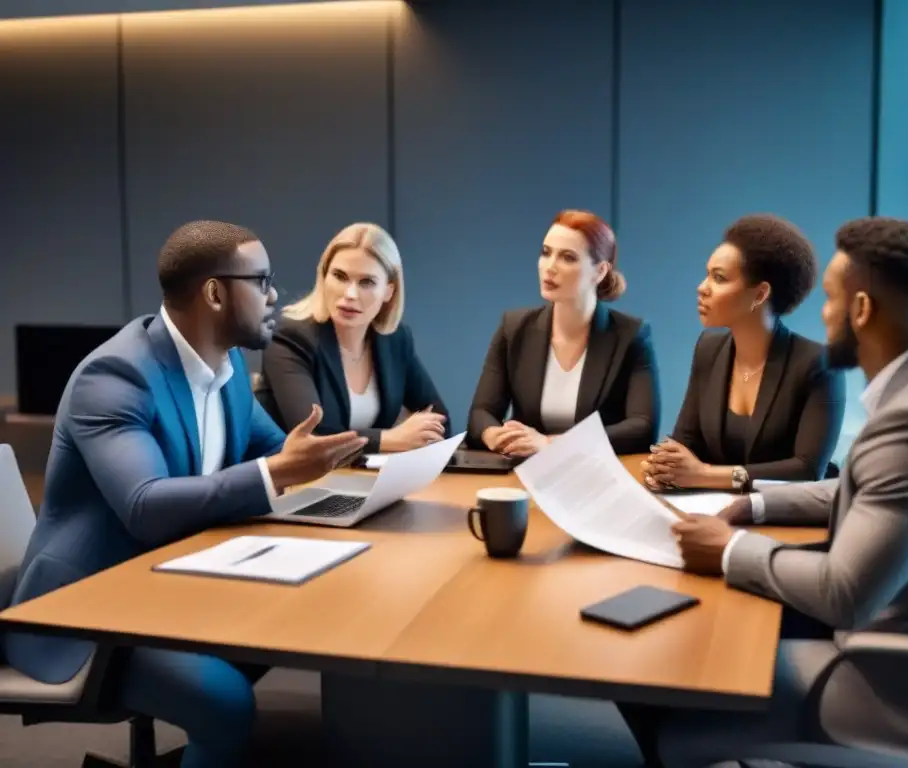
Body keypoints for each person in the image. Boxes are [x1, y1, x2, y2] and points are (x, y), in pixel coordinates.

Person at [626, 217, 908, 767]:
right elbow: (858, 492)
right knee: (687, 629)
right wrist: (755, 504)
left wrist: (729, 549)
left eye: (832, 299)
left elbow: (844, 595)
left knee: (662, 668)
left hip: (899, 698)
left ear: (861, 311)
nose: (822, 312)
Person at [3, 221, 367, 768]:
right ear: (215, 293)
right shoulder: (116, 376)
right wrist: (277, 472)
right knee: (225, 703)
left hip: (174, 589)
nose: (274, 295)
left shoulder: (227, 365)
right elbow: (146, 506)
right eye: (261, 279)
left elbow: (279, 453)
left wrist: (363, 478)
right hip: (89, 615)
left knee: (310, 628)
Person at [642, 214, 844, 492]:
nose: (702, 288)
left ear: (760, 294)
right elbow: (685, 441)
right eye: (707, 274)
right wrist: (665, 465)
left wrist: (703, 474)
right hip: (714, 509)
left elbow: (807, 470)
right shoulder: (708, 348)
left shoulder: (818, 365)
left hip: (788, 519)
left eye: (719, 278)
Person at [467, 209, 659, 456]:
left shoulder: (631, 335)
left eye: (568, 257)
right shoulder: (513, 328)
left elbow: (642, 428)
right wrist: (495, 435)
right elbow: (480, 414)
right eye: (546, 253)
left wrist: (550, 444)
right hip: (527, 472)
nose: (550, 267)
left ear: (600, 271)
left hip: (598, 473)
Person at [258, 223, 449, 453]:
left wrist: (419, 433)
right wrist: (389, 439)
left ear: (389, 291)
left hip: (363, 479)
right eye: (340, 276)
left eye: (366, 282)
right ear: (323, 277)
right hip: (298, 483)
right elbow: (313, 436)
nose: (350, 294)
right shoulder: (290, 337)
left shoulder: (395, 340)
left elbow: (440, 420)